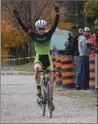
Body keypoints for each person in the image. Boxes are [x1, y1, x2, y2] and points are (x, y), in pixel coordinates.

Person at [13, 4, 60, 110]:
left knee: (52, 79)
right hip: (39, 58)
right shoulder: (33, 35)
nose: (42, 30)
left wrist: (57, 14)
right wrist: (18, 18)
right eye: (40, 29)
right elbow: (24, 27)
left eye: (43, 28)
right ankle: (39, 90)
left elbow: (55, 25)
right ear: (37, 29)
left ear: (45, 28)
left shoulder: (49, 34)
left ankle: (50, 99)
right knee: (38, 69)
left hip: (48, 58)